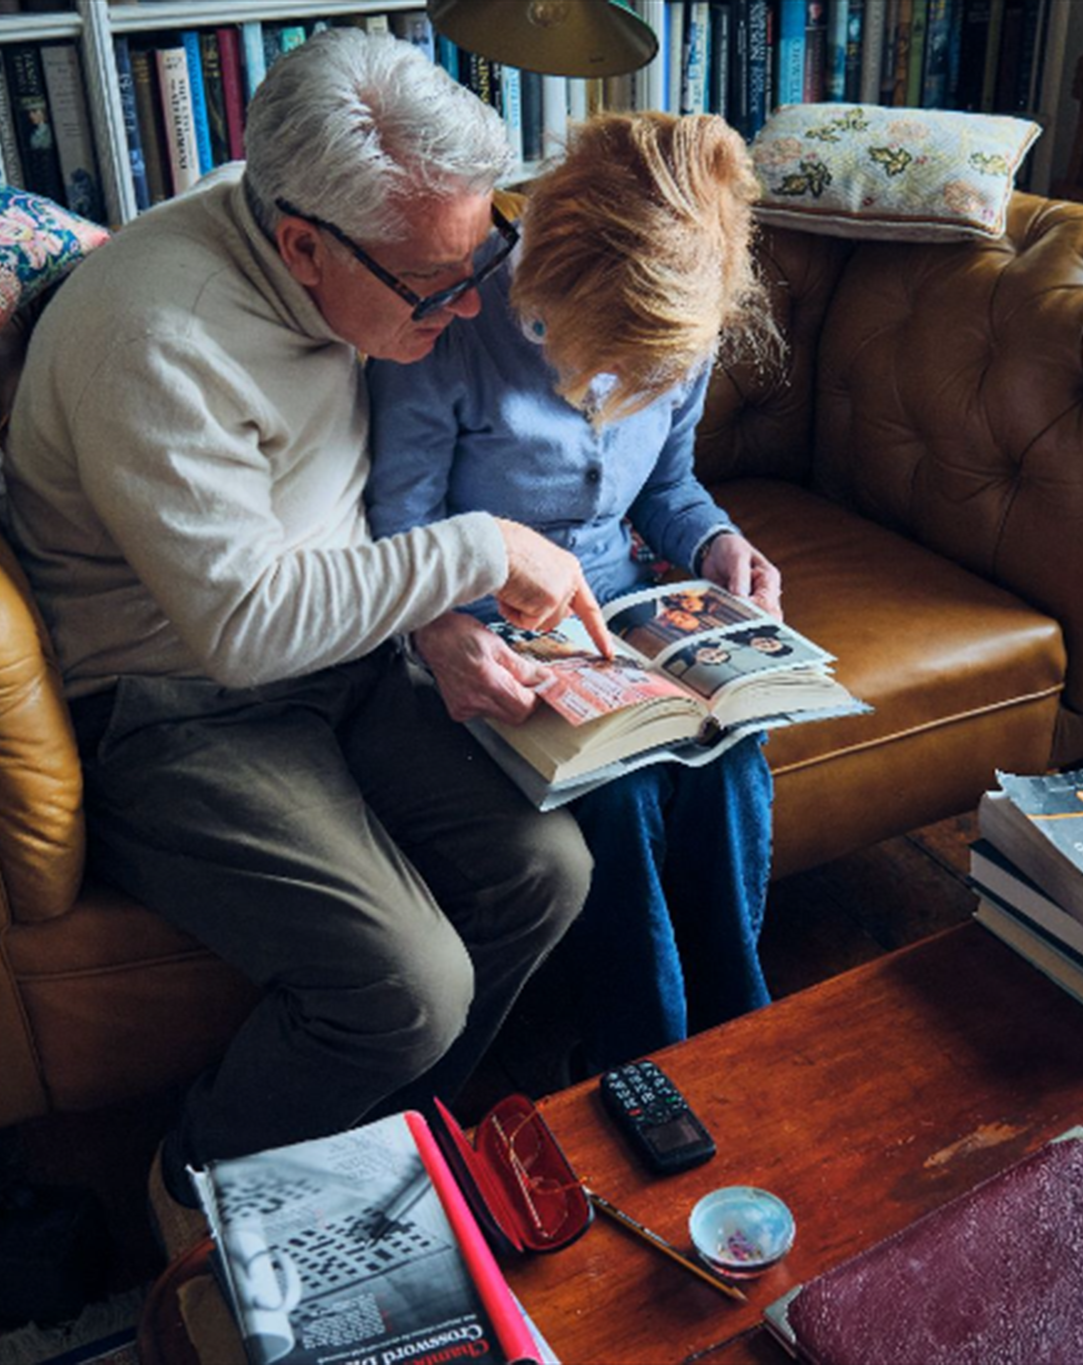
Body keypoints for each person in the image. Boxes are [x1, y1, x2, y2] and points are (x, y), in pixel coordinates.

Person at [2, 29, 603, 1215]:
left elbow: (331, 528)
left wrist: (427, 622)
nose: (470, 303)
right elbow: (239, 627)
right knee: (408, 984)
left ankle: (372, 1145)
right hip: (179, 707)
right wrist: (473, 556)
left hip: (345, 663)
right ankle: (194, 1183)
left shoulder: (340, 255)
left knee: (546, 870)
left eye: (478, 254)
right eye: (438, 286)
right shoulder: (156, 337)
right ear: (299, 246)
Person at [366, 111, 785, 1071]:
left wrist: (719, 544)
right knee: (620, 798)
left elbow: (670, 487)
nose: (633, 382)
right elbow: (400, 534)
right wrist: (443, 627)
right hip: (486, 638)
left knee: (727, 755)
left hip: (627, 617)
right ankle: (644, 1063)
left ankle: (746, 1039)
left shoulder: (687, 321)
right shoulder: (450, 331)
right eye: (619, 358)